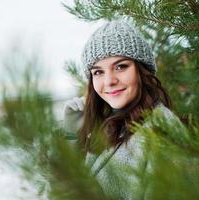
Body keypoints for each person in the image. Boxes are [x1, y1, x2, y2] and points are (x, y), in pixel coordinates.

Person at [63, 18, 173, 199]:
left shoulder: (162, 132)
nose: (109, 81)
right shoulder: (111, 124)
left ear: (142, 70)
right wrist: (72, 135)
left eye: (120, 66)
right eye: (98, 72)